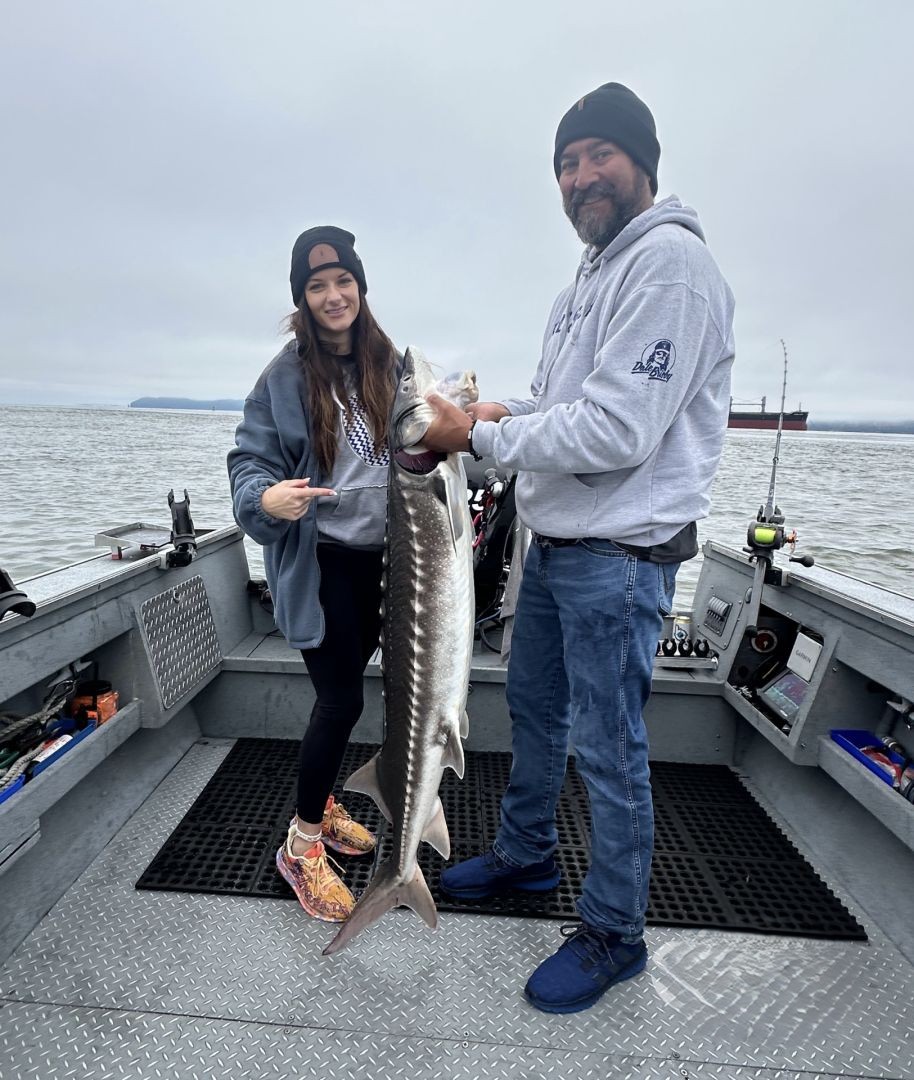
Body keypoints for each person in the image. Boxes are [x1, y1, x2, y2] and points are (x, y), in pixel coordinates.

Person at [422, 82, 735, 1014]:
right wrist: (489, 411)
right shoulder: (588, 281)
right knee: (537, 715)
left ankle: (614, 932)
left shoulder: (671, 267)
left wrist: (472, 441)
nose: (581, 176)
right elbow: (557, 401)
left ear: (644, 163)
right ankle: (525, 857)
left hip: (621, 559)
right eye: (566, 162)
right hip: (554, 549)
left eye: (599, 154)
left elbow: (612, 433)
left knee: (608, 748)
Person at [228, 226, 399, 924]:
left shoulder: (389, 362)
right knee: (341, 701)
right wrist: (263, 501)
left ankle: (321, 801)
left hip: (378, 563)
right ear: (302, 298)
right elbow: (247, 463)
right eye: (317, 287)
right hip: (319, 558)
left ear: (360, 288)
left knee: (351, 682)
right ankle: (300, 846)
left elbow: (425, 441)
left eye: (343, 283)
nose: (333, 296)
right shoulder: (283, 377)